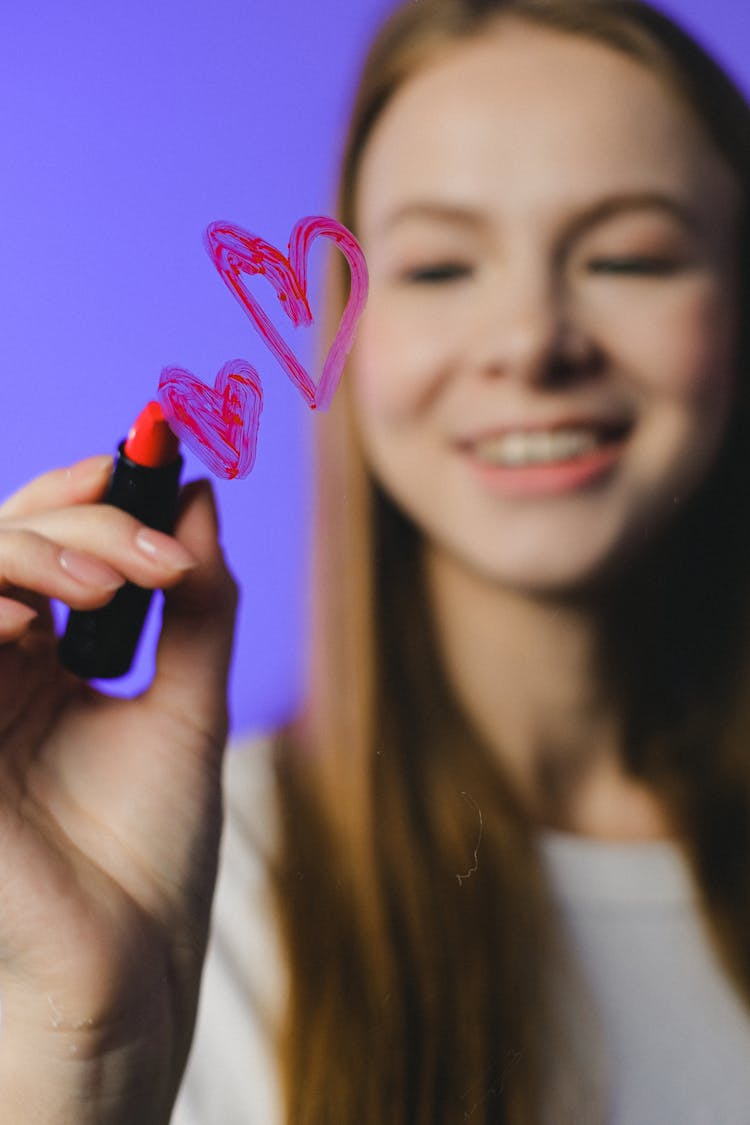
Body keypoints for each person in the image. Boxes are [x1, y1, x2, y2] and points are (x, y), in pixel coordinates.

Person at [2, 0, 750, 1121]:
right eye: (442, 268)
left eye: (629, 256)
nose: (531, 342)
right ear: (342, 340)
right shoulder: (163, 870)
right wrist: (76, 1056)